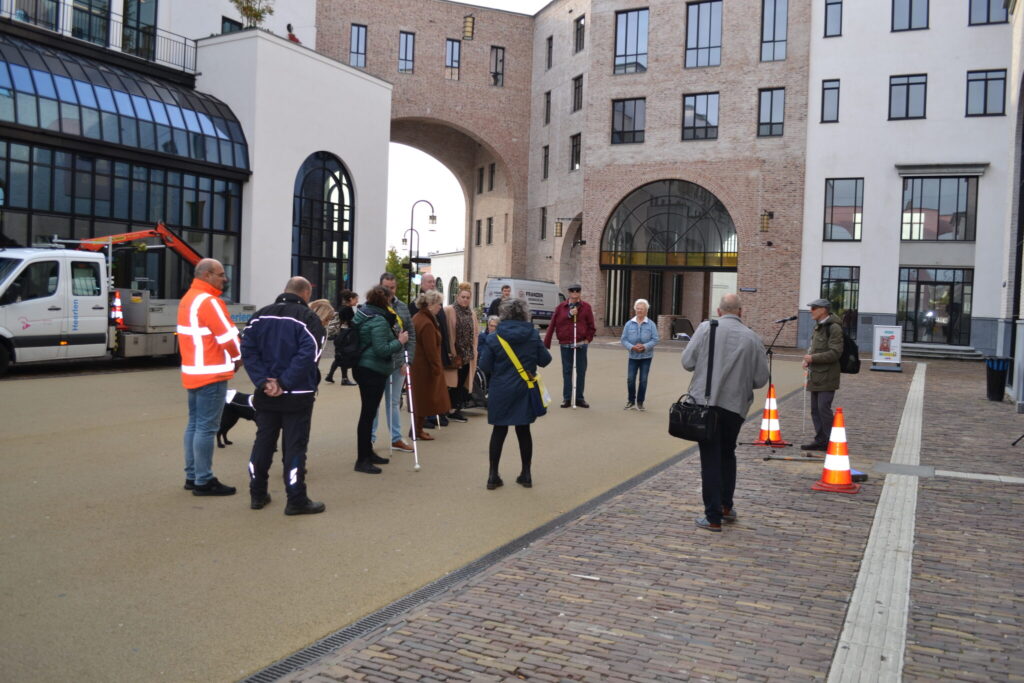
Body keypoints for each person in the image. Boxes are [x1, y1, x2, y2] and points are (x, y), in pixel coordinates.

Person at [682, 293, 769, 532]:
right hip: (735, 407)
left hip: (706, 405)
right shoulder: (753, 338)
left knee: (710, 460)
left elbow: (687, 362)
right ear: (741, 312)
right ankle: (726, 506)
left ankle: (712, 516)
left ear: (718, 311)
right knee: (728, 454)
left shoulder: (705, 328)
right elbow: (761, 379)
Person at [241, 277, 327, 515]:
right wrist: (284, 382)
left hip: (266, 393)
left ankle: (257, 493)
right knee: (295, 446)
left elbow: (247, 350)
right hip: (297, 394)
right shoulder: (308, 318)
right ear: (306, 293)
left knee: (263, 443)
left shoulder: (259, 316)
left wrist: (263, 381)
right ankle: (296, 498)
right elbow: (310, 355)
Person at [178, 258, 241, 496]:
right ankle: (204, 480)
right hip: (212, 372)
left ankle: (192, 476)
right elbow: (228, 338)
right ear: (207, 275)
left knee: (194, 424)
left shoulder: (189, 299)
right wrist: (238, 357)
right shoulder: (210, 302)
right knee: (207, 427)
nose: (225, 278)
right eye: (220, 274)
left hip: (194, 371)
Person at [478, 298, 552, 490]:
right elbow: (545, 360)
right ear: (524, 314)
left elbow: (484, 366)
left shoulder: (494, 337)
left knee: (499, 430)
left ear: (504, 314)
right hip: (524, 388)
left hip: (500, 389)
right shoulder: (533, 335)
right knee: (523, 430)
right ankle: (526, 474)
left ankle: (493, 476)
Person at [351, 286, 409, 473]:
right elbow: (382, 349)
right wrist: (399, 341)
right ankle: (362, 459)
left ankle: (368, 453)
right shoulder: (379, 320)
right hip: (372, 370)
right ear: (384, 301)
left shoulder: (363, 314)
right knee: (367, 415)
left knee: (368, 414)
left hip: (364, 367)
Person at [373, 273, 416, 453]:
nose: (390, 291)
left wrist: (408, 360)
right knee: (373, 402)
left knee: (394, 402)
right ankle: (369, 439)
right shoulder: (373, 307)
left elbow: (411, 335)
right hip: (377, 362)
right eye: (386, 287)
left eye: (392, 287)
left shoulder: (403, 307)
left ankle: (396, 438)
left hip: (397, 362)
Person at [543, 283, 596, 408]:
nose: (575, 293)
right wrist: (547, 342)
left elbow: (591, 326)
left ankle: (579, 398)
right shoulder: (561, 307)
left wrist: (588, 339)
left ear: (580, 293)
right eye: (572, 291)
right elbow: (554, 324)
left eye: (577, 291)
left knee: (581, 371)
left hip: (581, 344)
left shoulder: (586, 307)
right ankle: (567, 398)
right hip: (566, 344)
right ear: (569, 292)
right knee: (567, 372)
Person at [802, 298, 844, 452]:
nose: (810, 311)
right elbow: (815, 348)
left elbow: (835, 353)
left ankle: (832, 440)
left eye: (813, 308)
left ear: (823, 310)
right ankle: (821, 440)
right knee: (815, 410)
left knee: (823, 408)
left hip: (827, 376)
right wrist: (808, 359)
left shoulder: (834, 328)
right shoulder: (819, 327)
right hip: (816, 375)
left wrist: (813, 358)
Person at [410, 274, 450, 429]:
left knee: (421, 398)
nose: (440, 307)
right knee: (424, 398)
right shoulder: (426, 322)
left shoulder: (420, 318)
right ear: (431, 305)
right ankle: (417, 429)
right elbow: (430, 350)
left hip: (419, 366)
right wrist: (436, 368)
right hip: (424, 367)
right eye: (438, 304)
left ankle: (418, 429)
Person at [443, 282, 479, 422]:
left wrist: (474, 351)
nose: (465, 299)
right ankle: (445, 409)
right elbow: (446, 332)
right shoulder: (449, 310)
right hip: (454, 354)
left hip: (467, 355)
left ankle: (454, 409)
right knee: (450, 382)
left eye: (468, 297)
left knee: (461, 383)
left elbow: (475, 333)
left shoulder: (472, 313)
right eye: (463, 297)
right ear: (457, 297)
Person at [619, 298, 660, 411]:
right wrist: (632, 347)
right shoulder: (629, 324)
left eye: (642, 309)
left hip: (646, 357)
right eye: (637, 309)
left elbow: (655, 339)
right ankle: (631, 401)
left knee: (643, 379)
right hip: (633, 356)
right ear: (635, 310)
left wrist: (645, 346)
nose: (639, 311)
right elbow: (623, 339)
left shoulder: (651, 324)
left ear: (646, 310)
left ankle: (640, 402)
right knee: (630, 379)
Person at [325, 290, 359, 385]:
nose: (357, 301)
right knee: (345, 356)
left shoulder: (341, 308)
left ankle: (330, 376)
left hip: (339, 335)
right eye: (356, 299)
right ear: (351, 299)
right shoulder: (347, 309)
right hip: (345, 335)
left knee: (339, 356)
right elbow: (351, 323)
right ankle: (344, 379)